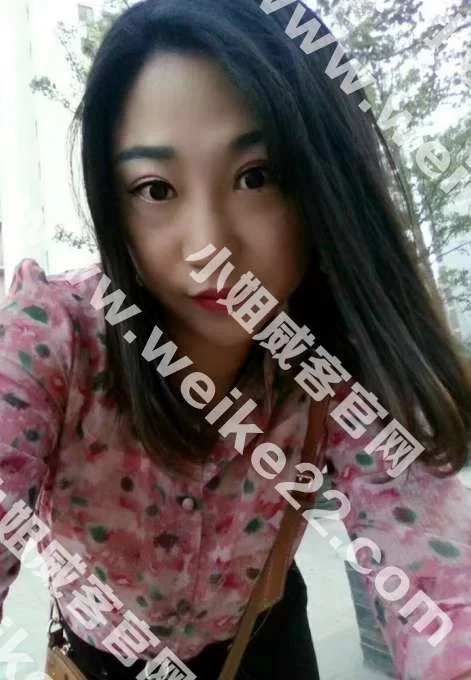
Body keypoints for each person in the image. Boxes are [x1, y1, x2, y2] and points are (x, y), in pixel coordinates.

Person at [0, 1, 470, 678]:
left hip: (263, 646)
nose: (209, 245)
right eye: (155, 189)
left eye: (257, 177)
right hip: (100, 661)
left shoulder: (332, 362)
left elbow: (439, 581)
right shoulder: (54, 340)